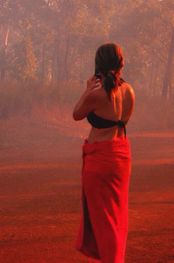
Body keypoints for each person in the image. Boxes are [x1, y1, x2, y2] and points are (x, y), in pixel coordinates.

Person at [72, 43, 135, 263]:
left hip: (100, 159)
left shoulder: (96, 94)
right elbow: (122, 121)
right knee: (117, 217)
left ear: (98, 64)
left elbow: (76, 114)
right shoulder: (129, 91)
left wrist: (87, 89)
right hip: (121, 157)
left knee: (102, 220)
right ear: (120, 63)